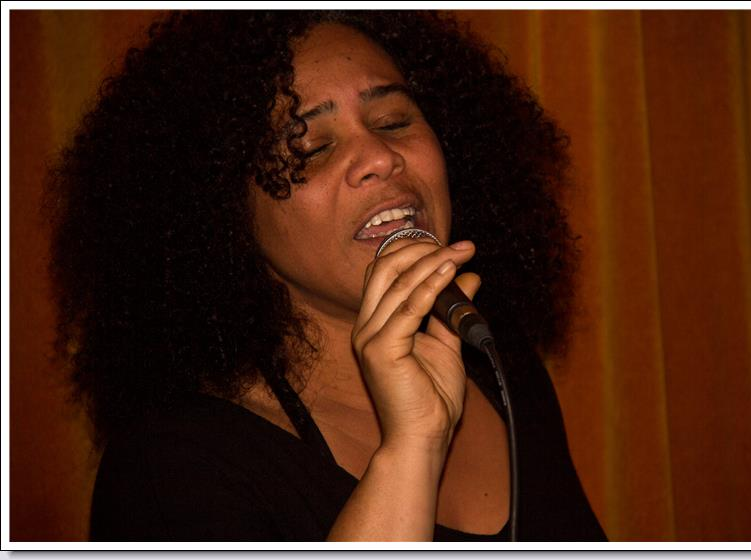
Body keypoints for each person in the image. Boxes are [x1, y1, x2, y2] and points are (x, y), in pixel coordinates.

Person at [46, 10, 605, 541]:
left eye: (393, 121)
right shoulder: (171, 468)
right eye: (310, 147)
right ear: (222, 211)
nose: (380, 158)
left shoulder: (496, 361)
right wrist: (412, 445)